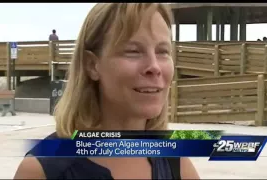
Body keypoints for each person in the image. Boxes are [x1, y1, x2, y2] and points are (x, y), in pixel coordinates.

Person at [14, 3, 200, 180]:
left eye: (163, 51)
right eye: (133, 51)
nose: (154, 66)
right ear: (92, 65)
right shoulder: (43, 170)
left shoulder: (176, 162)